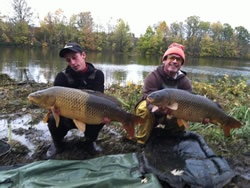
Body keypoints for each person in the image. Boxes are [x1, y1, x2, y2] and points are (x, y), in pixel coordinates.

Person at [46, 42, 105, 158]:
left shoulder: (97, 74)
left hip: (88, 115)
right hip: (67, 116)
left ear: (83, 55)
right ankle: (58, 143)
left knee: (101, 115)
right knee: (52, 118)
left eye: (74, 57)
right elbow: (55, 101)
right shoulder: (61, 77)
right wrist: (54, 109)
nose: (72, 63)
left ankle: (89, 142)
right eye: (68, 60)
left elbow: (100, 100)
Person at [135, 42, 192, 145]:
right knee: (144, 109)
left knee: (180, 113)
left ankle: (172, 140)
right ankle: (141, 142)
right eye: (171, 58)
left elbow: (189, 105)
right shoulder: (153, 76)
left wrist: (200, 117)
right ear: (164, 60)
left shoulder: (185, 82)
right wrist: (160, 111)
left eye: (178, 59)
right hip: (153, 110)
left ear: (181, 64)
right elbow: (148, 99)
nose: (174, 61)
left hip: (174, 112)